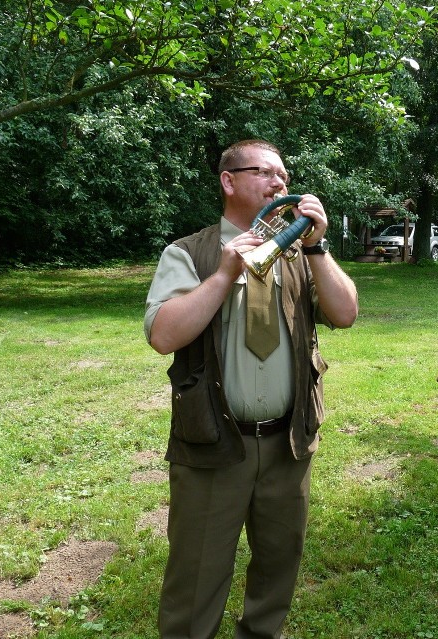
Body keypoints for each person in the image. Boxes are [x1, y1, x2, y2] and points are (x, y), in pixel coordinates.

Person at [144, 139, 358, 639]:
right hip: (215, 448)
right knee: (194, 582)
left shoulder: (299, 251)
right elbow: (164, 335)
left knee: (277, 570)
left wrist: (317, 246)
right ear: (229, 181)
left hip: (288, 444)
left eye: (284, 176)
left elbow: (345, 313)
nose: (280, 184)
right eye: (266, 173)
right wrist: (224, 273)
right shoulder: (188, 253)